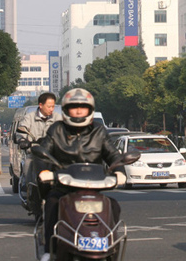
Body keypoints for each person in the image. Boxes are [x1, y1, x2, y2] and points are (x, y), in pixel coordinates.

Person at [36, 88, 121, 261]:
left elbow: (113, 154)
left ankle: (110, 248)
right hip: (63, 188)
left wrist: (120, 171)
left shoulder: (99, 131)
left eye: (83, 107)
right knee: (52, 204)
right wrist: (44, 171)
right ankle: (49, 250)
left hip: (93, 188)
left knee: (113, 205)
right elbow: (44, 153)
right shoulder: (56, 130)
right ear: (66, 110)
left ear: (90, 110)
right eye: (74, 107)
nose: (79, 111)